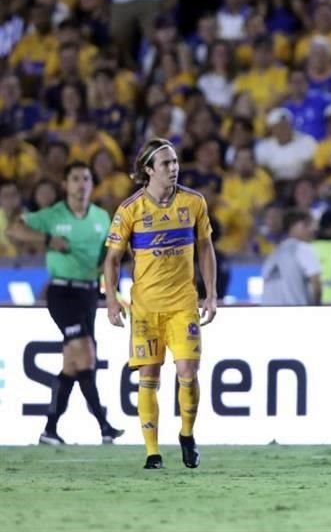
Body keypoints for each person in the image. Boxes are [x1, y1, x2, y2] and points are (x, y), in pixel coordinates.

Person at [103, 138, 217, 470]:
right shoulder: (130, 209)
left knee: (187, 371)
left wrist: (211, 293)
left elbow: (206, 248)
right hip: (145, 309)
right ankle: (152, 452)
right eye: (166, 163)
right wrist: (111, 300)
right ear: (148, 170)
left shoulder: (194, 202)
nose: (173, 168)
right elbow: (111, 260)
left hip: (183, 304)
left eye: (176, 162)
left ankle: (186, 434)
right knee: (149, 376)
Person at [6, 161, 124, 445]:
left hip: (88, 293)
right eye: (75, 179)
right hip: (61, 293)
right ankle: (104, 425)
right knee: (86, 354)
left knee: (74, 363)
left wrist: (110, 292)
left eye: (86, 179)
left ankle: (50, 430)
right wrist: (46, 238)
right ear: (65, 185)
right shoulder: (52, 215)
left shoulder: (101, 217)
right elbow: (13, 230)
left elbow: (109, 258)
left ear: (91, 185)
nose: (81, 184)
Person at [261, 209, 323, 306]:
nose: (313, 229)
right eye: (307, 225)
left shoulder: (273, 254)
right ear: (294, 226)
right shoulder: (304, 248)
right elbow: (316, 285)